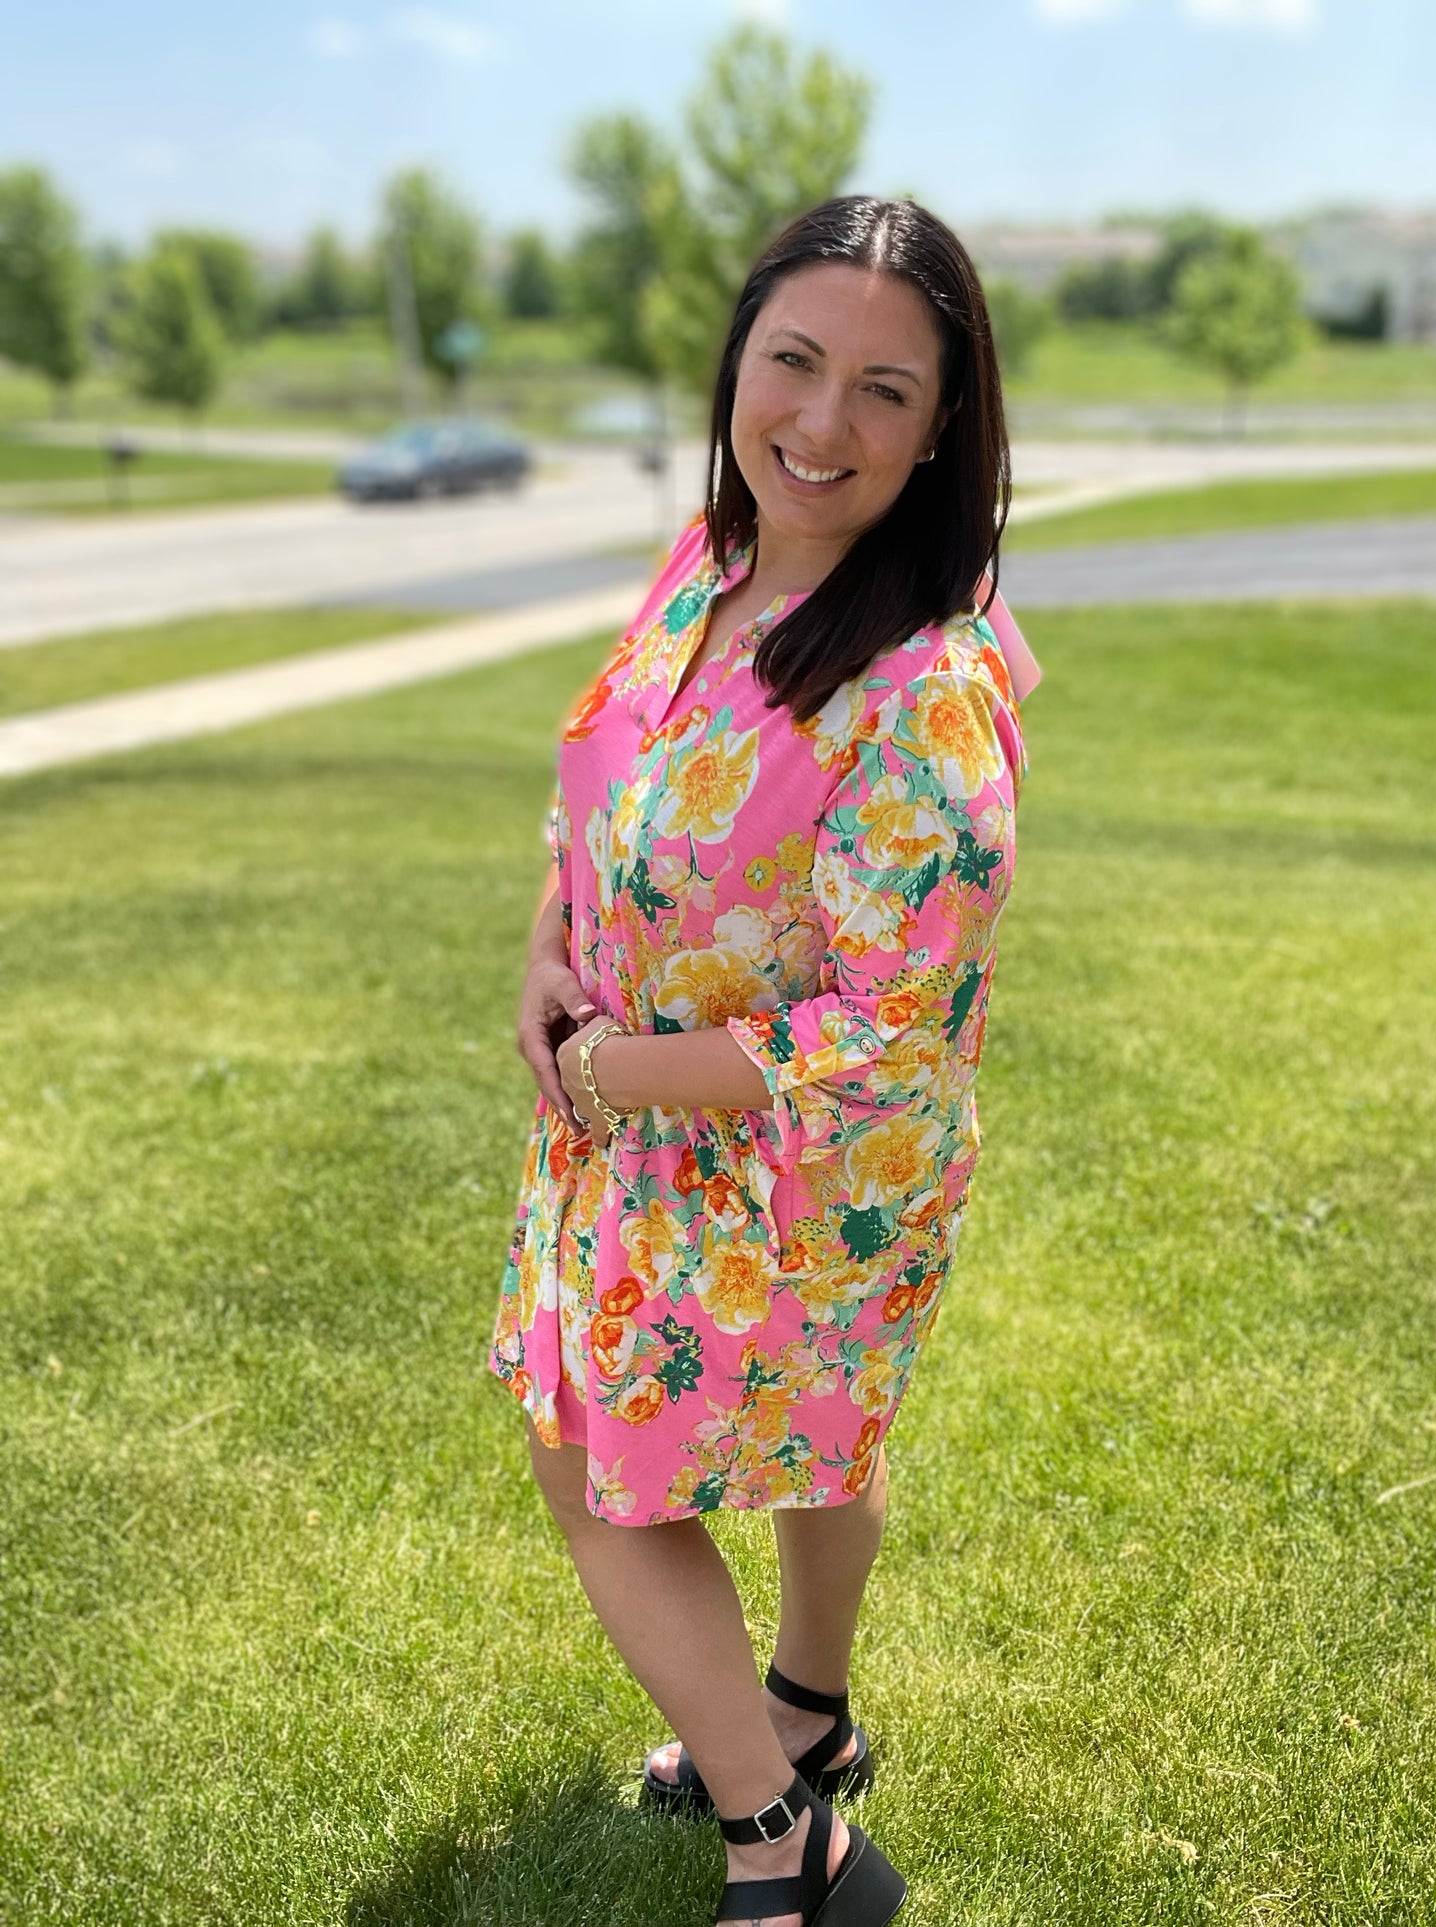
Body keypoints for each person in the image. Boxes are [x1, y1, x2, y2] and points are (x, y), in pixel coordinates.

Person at [489, 194, 1039, 1927]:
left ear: (943, 421)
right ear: (735, 360)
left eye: (883, 388)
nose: (819, 422)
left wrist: (613, 1073)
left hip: (783, 1166)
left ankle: (779, 1837)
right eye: (791, 362)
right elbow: (604, 781)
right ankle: (802, 1709)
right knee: (815, 1443)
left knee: (596, 1476)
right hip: (640, 1128)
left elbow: (893, 1027)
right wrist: (545, 950)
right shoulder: (702, 569)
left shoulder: (919, 687)